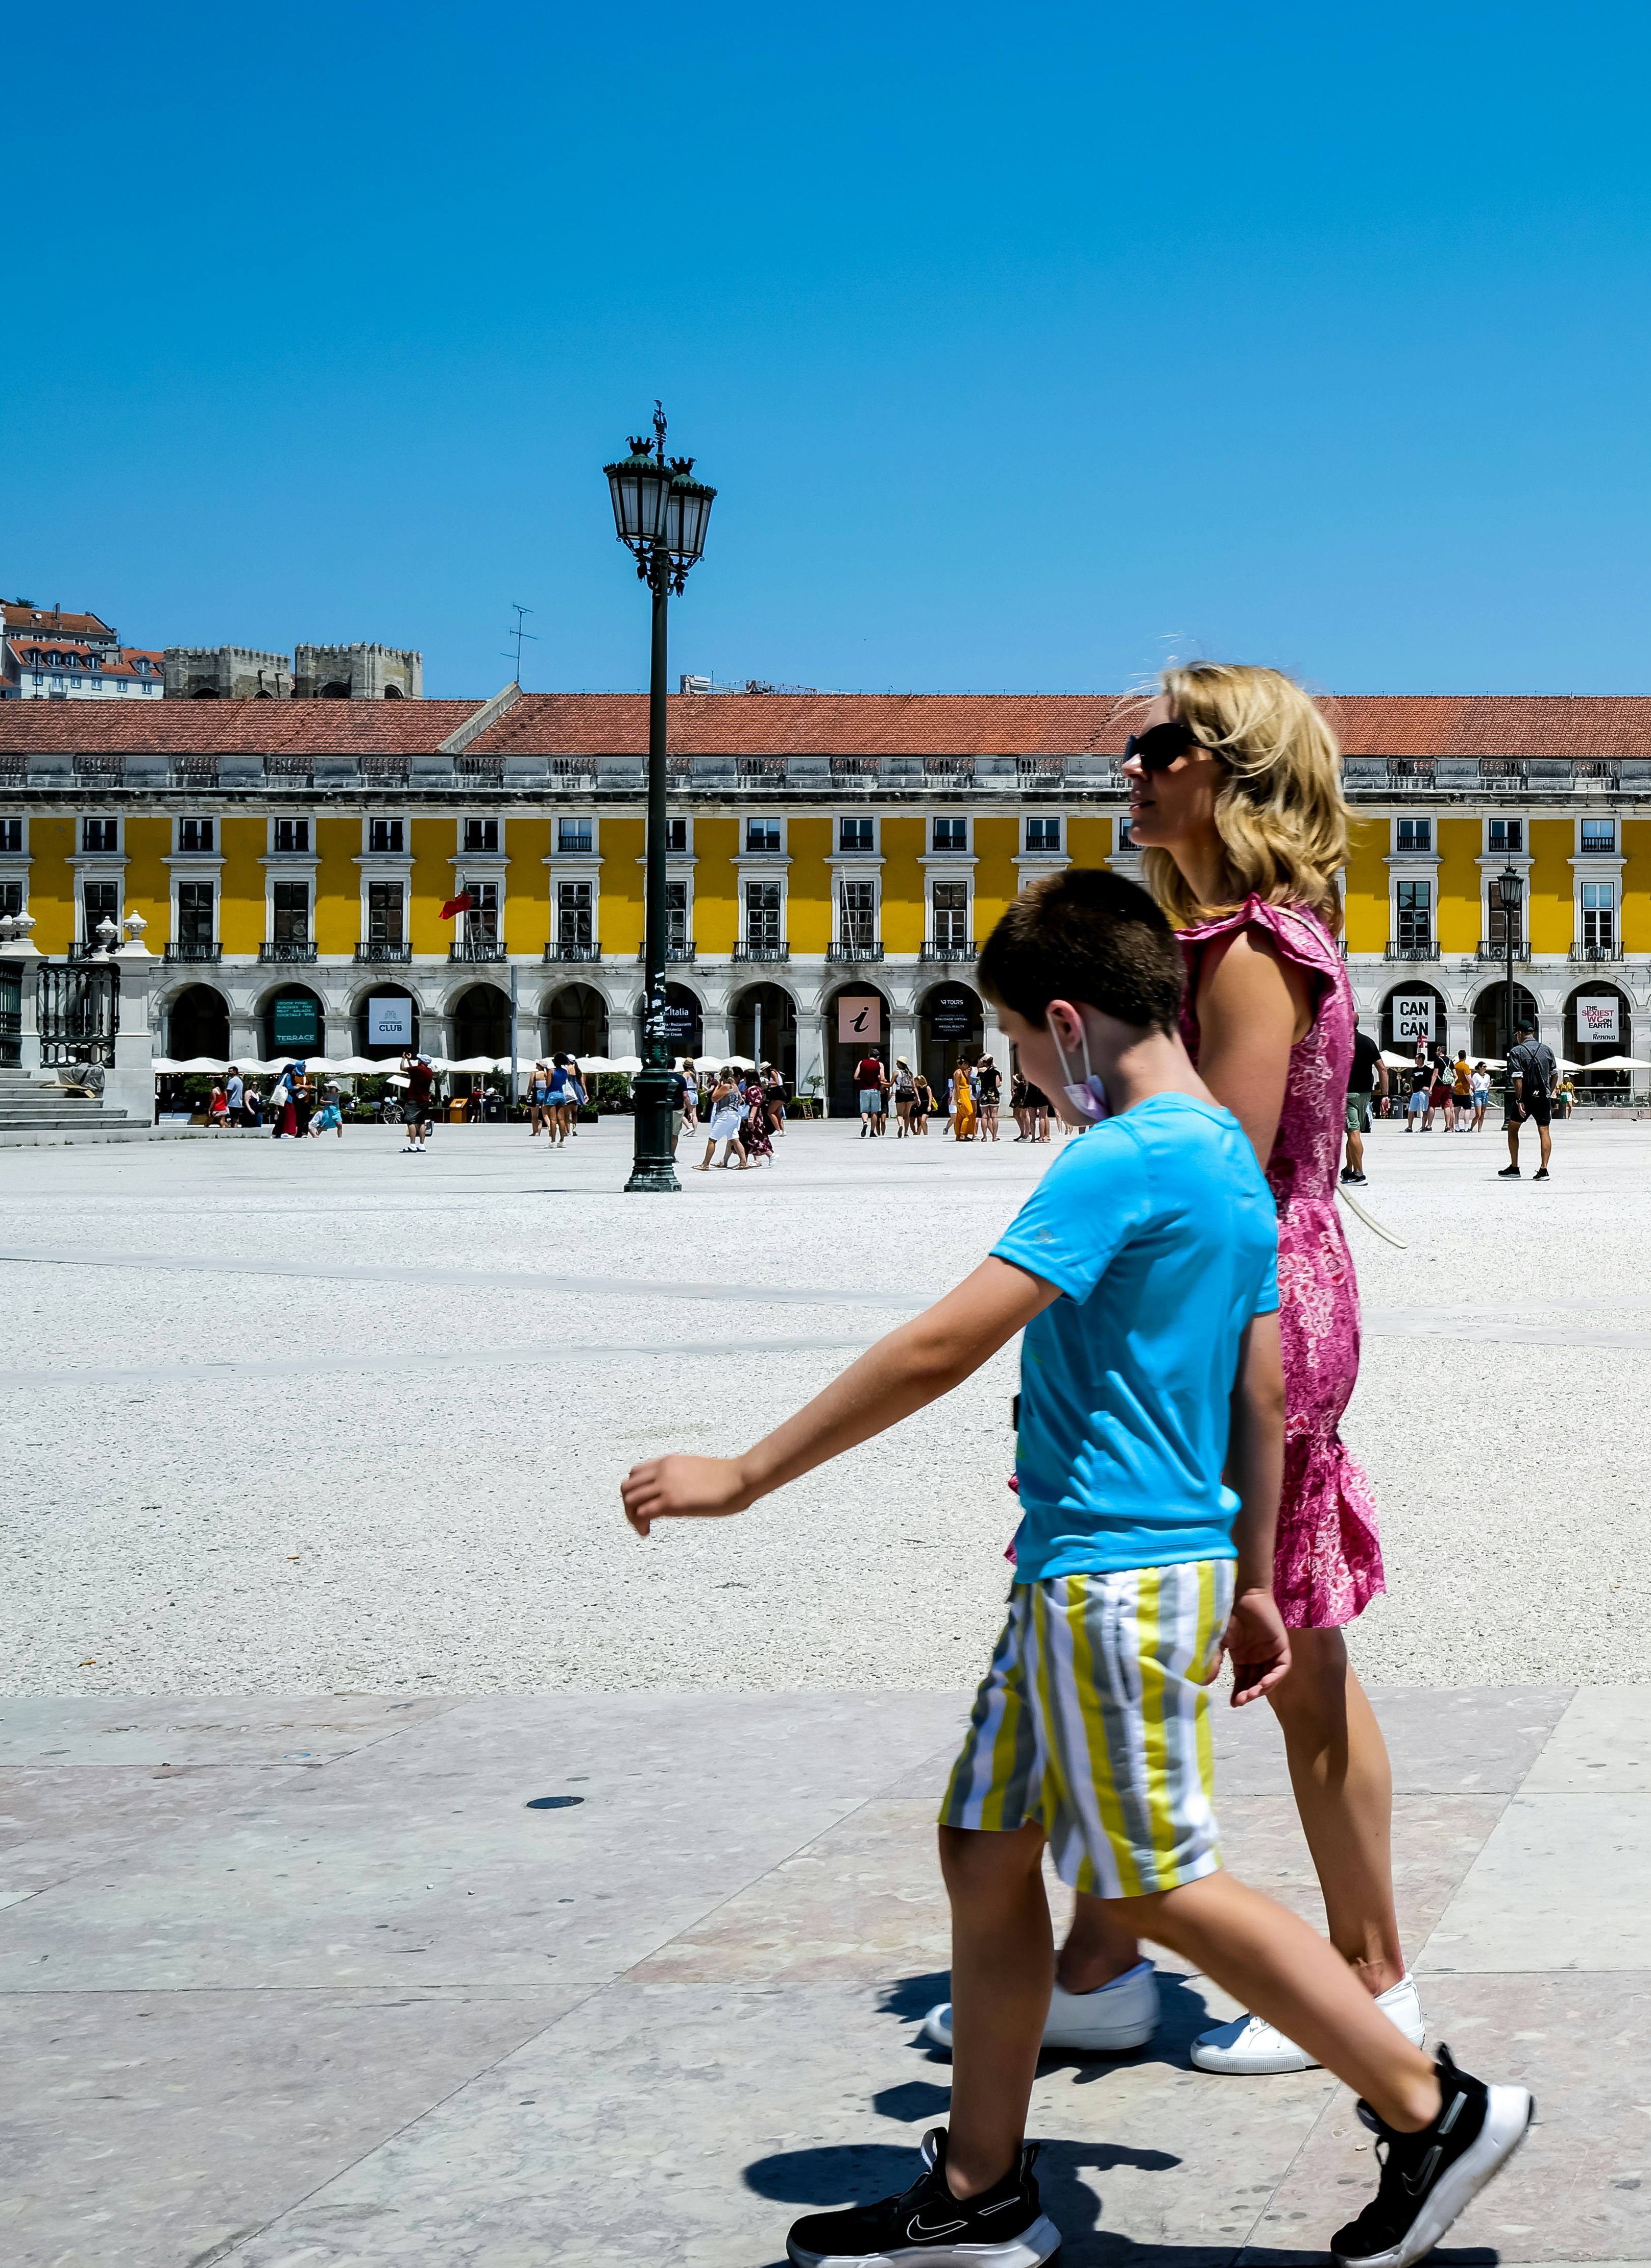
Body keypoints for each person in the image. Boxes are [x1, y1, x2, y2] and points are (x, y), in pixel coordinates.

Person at [620, 869, 1528, 2268]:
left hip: (1110, 1580)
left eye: (1017, 1053)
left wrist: (744, 1475)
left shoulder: (1123, 1158)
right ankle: (980, 2190)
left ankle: (1427, 2107)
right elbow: (1264, 1373)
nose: (1023, 1081)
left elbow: (946, 1340)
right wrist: (1253, 1576)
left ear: (1065, 1019)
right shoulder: (1232, 1156)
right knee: (986, 1848)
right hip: (1100, 1574)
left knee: (1160, 1880)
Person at [1001, 663, 1422, 2078]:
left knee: (1286, 1645)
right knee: (1167, 1629)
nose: (1128, 768)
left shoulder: (1246, 950)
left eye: (1156, 747)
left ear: (1231, 772)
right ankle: (1107, 1960)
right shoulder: (1229, 935)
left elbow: (1215, 1178)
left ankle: (1368, 1978)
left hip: (1246, 1308)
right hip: (1245, 1291)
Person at [1501, 1021, 1561, 1178]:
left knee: (1513, 1129)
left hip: (1526, 1097)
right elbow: (1555, 1075)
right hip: (1543, 1096)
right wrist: (1549, 1092)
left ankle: (1514, 1168)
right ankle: (1544, 1169)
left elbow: (1518, 1078)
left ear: (1520, 1033)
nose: (1516, 1038)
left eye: (1516, 1035)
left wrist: (1520, 1100)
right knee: (1544, 1130)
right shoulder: (1547, 1049)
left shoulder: (1517, 1051)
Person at [1344, 1024, 1379, 1184]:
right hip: (1365, 1094)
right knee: (1352, 1132)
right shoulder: (1368, 1042)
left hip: (1348, 1094)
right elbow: (1383, 1070)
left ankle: (1359, 1174)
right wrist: (1385, 1095)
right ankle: (1348, 1170)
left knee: (1353, 1132)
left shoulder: (1343, 1040)